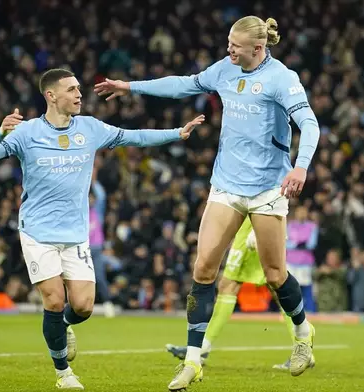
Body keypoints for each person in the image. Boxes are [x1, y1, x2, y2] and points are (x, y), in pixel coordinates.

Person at [95, 16, 320, 390]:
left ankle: (302, 333)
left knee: (275, 275)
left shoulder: (282, 78)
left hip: (267, 189)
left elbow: (310, 124)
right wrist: (129, 86)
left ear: (258, 49)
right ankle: (194, 361)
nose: (228, 50)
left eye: (235, 45)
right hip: (226, 185)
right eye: (228, 43)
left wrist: (300, 167)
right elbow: (183, 85)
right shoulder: (224, 70)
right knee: (203, 270)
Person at [0, 68, 204, 389]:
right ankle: (63, 373)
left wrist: (176, 132)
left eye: (79, 88)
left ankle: (63, 325)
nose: (79, 94)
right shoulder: (26, 133)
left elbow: (133, 136)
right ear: (51, 96)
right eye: (71, 90)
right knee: (54, 301)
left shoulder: (90, 128)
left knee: (82, 307)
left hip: (76, 234)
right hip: (38, 232)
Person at [164, 217, 316, 370]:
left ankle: (303, 345)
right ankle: (303, 346)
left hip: (255, 223)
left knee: (268, 282)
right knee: (262, 284)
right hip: (250, 225)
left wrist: (253, 231)